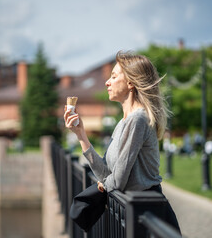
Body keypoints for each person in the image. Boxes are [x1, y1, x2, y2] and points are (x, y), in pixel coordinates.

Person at [64, 51, 181, 232]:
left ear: (130, 83)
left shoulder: (138, 119)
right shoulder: (123, 122)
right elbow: (107, 174)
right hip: (134, 212)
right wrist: (80, 134)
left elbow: (116, 181)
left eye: (113, 76)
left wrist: (103, 187)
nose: (107, 82)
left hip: (149, 215)